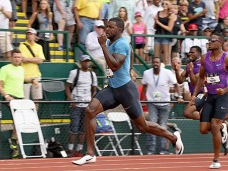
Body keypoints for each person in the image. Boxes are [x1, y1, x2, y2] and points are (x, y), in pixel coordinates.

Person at [72, 17, 184, 166]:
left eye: (111, 27)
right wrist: (129, 68)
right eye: (107, 27)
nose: (107, 29)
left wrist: (104, 48)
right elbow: (131, 53)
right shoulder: (109, 42)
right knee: (90, 110)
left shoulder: (121, 43)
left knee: (142, 126)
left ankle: (174, 138)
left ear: (119, 30)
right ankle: (90, 154)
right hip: (112, 89)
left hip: (126, 90)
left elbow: (115, 66)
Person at [174, 45, 228, 156]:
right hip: (198, 95)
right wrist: (176, 70)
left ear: (198, 53)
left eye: (192, 52)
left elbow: (196, 81)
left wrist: (191, 72)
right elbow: (180, 81)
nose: (190, 55)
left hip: (204, 94)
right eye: (189, 53)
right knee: (216, 123)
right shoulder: (189, 65)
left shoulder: (200, 64)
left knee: (191, 113)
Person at [190, 33, 228, 169]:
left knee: (214, 124)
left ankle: (216, 160)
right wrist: (194, 95)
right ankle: (226, 125)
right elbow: (201, 78)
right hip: (210, 96)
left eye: (212, 40)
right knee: (203, 129)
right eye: (209, 40)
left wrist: (225, 90)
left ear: (220, 43)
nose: (209, 42)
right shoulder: (204, 58)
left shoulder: (227, 59)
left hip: (223, 96)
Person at [141, 57, 184, 155]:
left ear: (160, 63)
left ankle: (162, 150)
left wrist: (180, 96)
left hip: (165, 103)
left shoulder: (167, 72)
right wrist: (143, 99)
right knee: (151, 125)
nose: (155, 64)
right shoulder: (147, 73)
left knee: (163, 127)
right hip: (152, 103)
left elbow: (176, 84)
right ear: (152, 64)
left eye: (157, 62)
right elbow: (144, 86)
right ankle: (150, 151)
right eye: (154, 62)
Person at [0, 49, 30, 159]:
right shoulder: (4, 69)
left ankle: (14, 141)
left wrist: (33, 80)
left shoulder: (21, 69)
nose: (17, 59)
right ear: (11, 57)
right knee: (18, 120)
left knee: (19, 122)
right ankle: (15, 145)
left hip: (20, 98)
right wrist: (7, 97)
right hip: (9, 98)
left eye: (19, 57)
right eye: (15, 57)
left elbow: (23, 79)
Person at [65, 54, 98, 157]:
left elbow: (94, 89)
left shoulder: (92, 75)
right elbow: (67, 87)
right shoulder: (74, 73)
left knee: (84, 129)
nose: (87, 63)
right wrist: (71, 100)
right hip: (76, 104)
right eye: (85, 61)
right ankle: (70, 148)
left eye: (88, 61)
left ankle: (79, 150)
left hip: (87, 105)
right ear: (80, 62)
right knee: (74, 127)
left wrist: (91, 102)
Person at [19, 28, 45, 110]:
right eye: (28, 34)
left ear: (35, 36)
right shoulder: (22, 45)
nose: (29, 35)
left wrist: (28, 59)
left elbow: (40, 60)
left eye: (31, 34)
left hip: (36, 76)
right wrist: (35, 59)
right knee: (24, 101)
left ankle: (35, 119)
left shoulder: (39, 47)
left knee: (36, 100)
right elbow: (23, 59)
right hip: (25, 77)